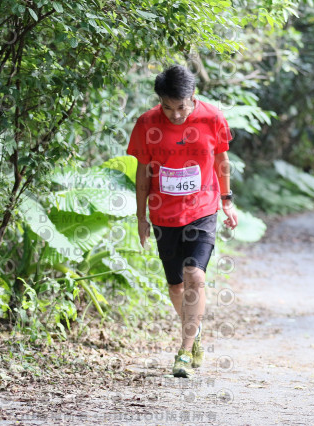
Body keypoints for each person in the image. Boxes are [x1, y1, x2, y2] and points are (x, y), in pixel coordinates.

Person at [126, 64, 238, 378]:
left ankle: (185, 351)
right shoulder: (147, 124)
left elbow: (221, 159)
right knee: (176, 286)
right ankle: (195, 330)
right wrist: (141, 216)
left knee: (195, 275)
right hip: (164, 213)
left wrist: (227, 200)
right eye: (167, 107)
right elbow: (143, 172)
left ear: (193, 96)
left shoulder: (212, 118)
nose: (175, 115)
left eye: (181, 107)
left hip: (202, 208)